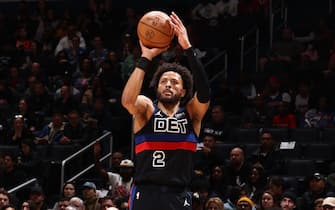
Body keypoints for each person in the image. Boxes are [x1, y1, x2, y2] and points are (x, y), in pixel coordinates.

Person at [121, 11, 210, 210]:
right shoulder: (146, 108)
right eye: (163, 81)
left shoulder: (192, 113)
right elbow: (127, 101)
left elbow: (204, 92)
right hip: (146, 191)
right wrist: (145, 57)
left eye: (174, 82)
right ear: (157, 86)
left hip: (178, 194)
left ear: (184, 90)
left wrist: (187, 47)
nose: (168, 85)